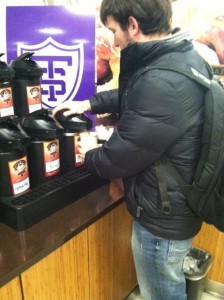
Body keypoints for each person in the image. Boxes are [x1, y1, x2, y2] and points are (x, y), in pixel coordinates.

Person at [53, 0, 213, 299]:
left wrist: (88, 151)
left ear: (133, 25)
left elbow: (116, 161)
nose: (112, 39)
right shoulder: (181, 56)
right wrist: (89, 103)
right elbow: (136, 93)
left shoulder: (162, 79)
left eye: (113, 30)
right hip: (179, 203)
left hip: (161, 218)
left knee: (162, 293)